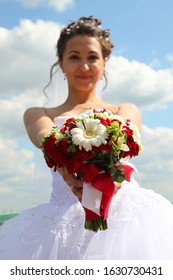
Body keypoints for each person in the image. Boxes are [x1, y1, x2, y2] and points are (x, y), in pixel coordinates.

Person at [0, 16, 173, 260]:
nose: (83, 66)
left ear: (104, 62)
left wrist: (113, 178)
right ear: (60, 62)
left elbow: (126, 142)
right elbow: (45, 137)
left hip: (126, 218)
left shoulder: (124, 109)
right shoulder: (39, 114)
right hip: (62, 218)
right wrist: (64, 168)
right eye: (74, 56)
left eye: (92, 57)